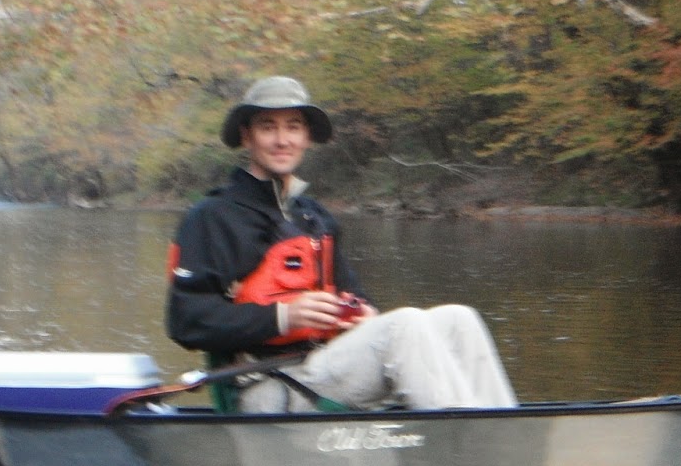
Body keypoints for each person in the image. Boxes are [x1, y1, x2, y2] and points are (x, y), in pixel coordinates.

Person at [166, 75, 517, 412]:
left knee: (459, 319)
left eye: (293, 126)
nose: (281, 139)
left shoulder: (313, 217)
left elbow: (356, 296)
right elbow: (186, 322)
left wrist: (365, 313)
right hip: (267, 384)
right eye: (267, 126)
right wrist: (282, 317)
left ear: (306, 137)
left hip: (326, 366)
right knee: (405, 325)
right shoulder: (211, 217)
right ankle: (463, 443)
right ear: (247, 137)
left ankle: (504, 436)